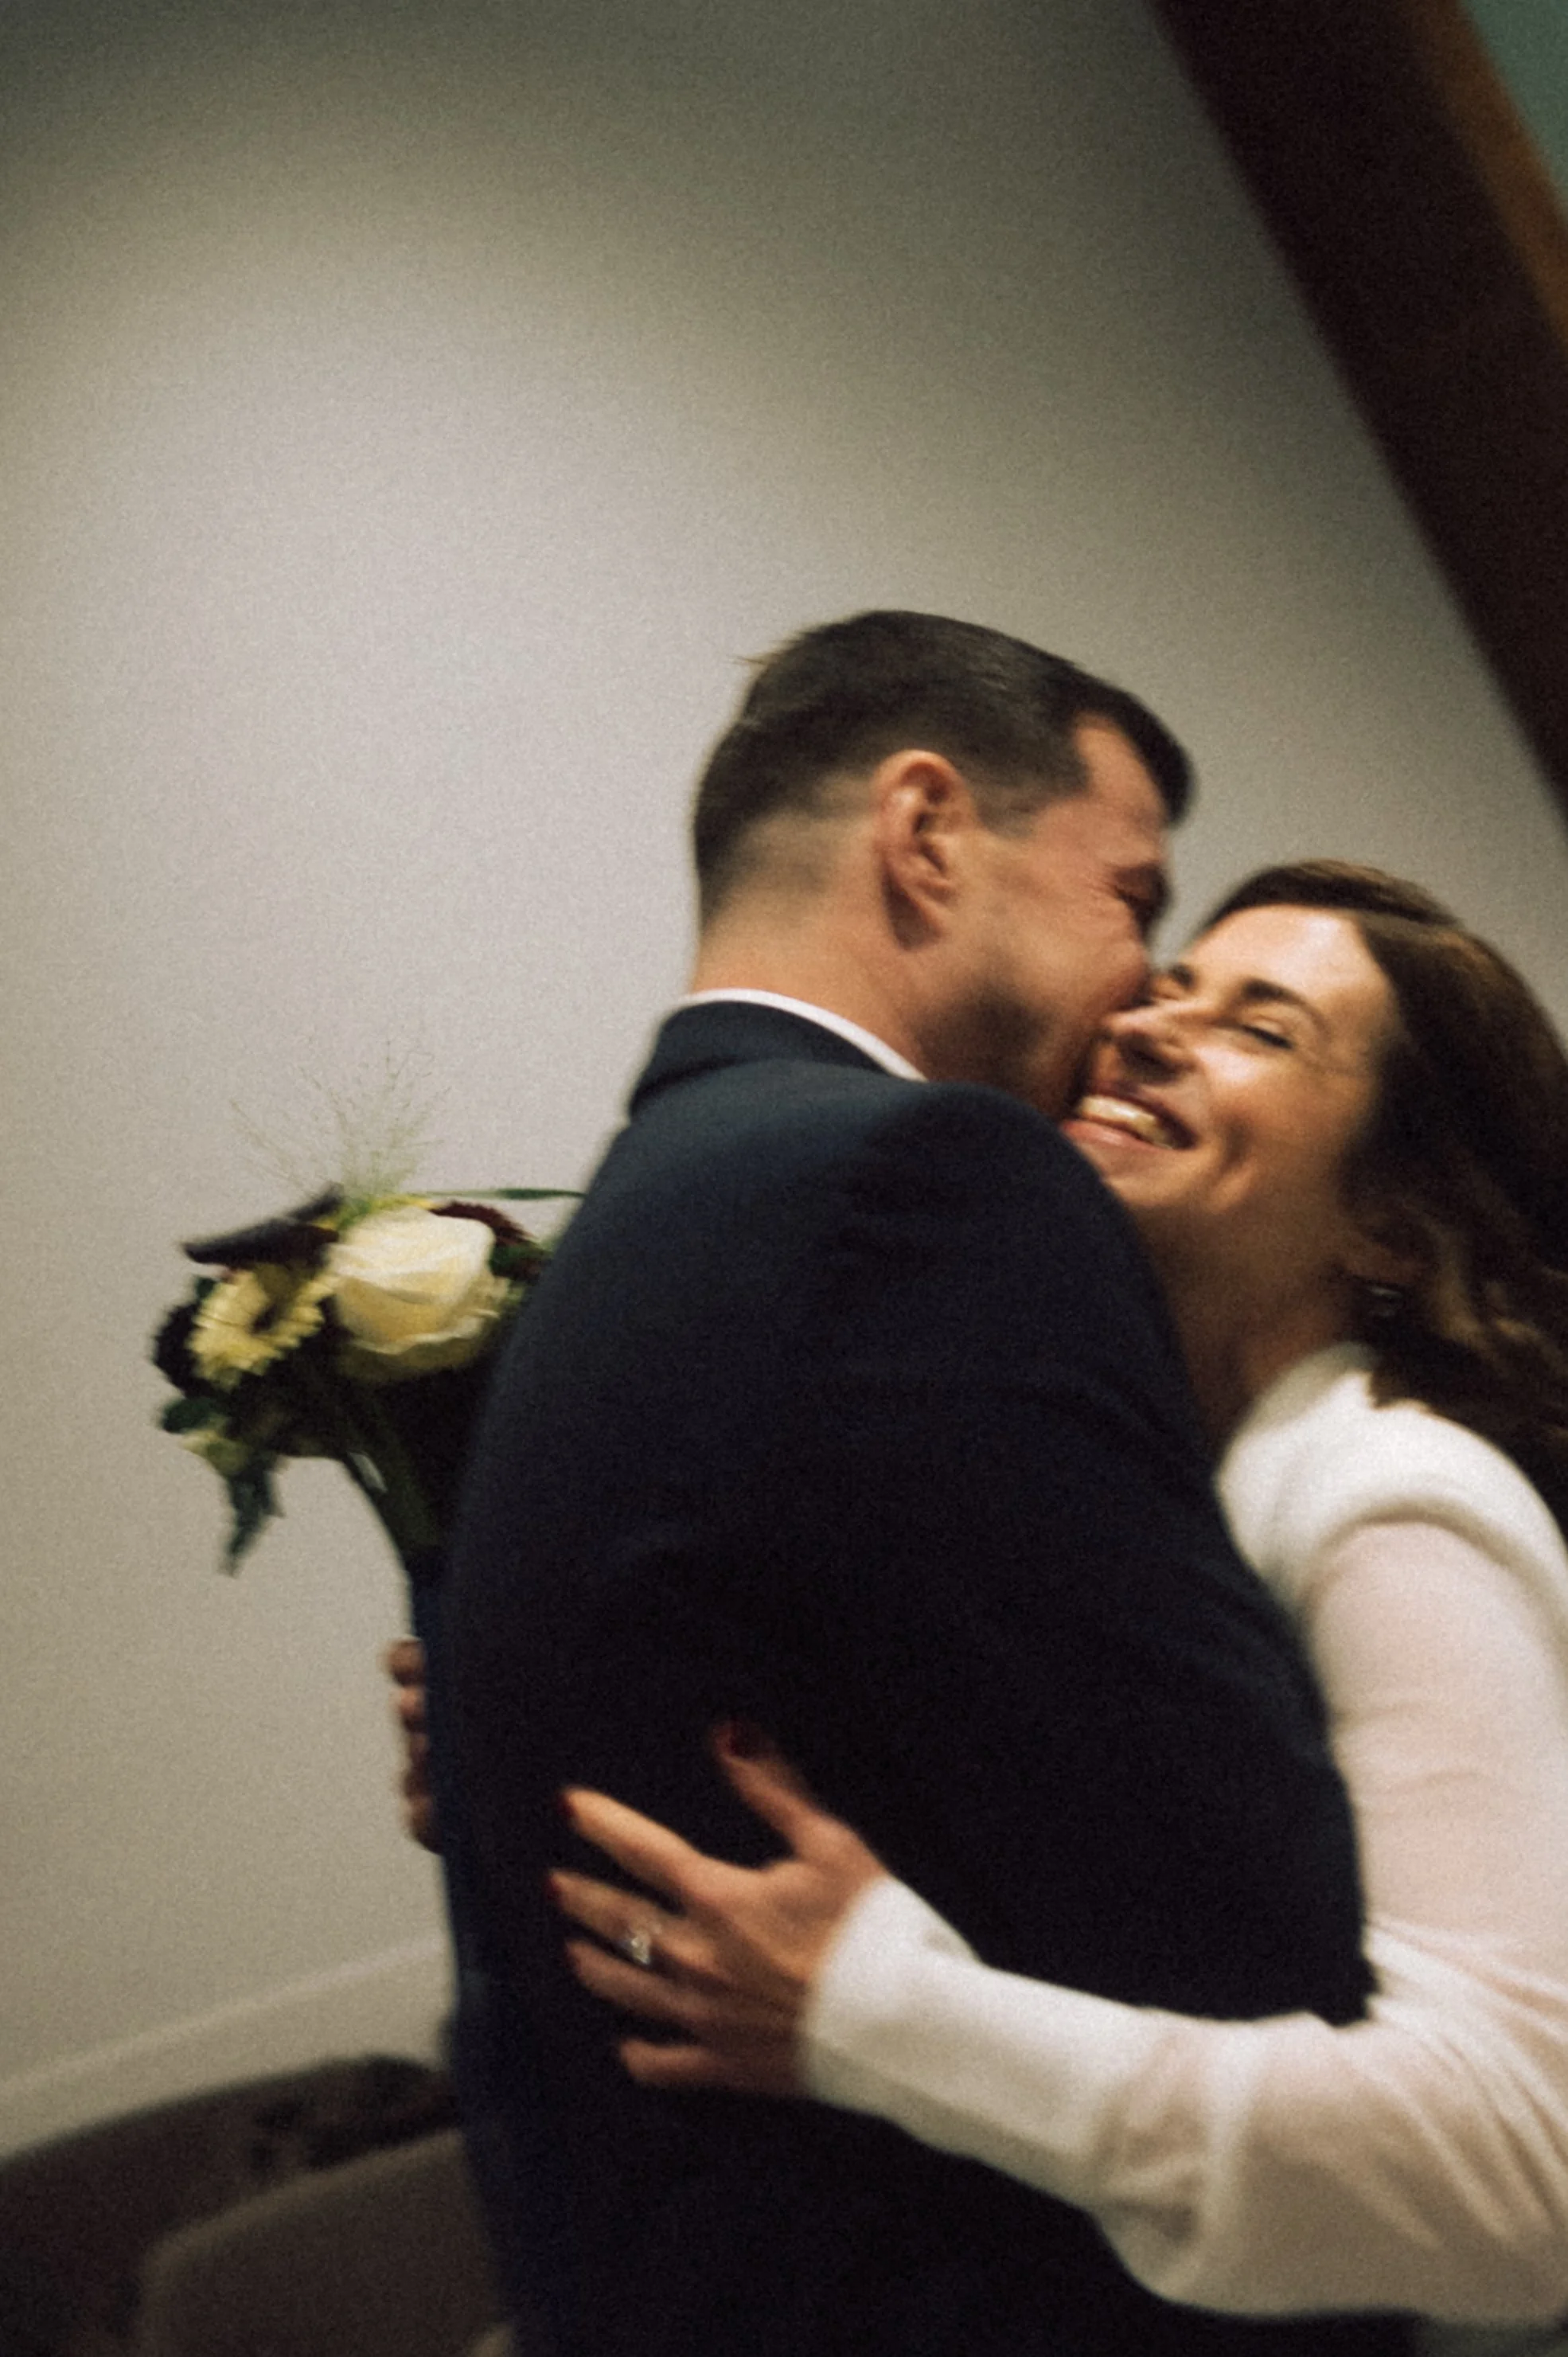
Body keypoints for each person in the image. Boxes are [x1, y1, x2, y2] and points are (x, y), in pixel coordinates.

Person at [440, 615, 1407, 2355]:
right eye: (1132, 899)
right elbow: (1239, 1910)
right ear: (927, 829)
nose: (1141, 989)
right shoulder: (918, 1181)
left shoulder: (640, 1216)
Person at [550, 862, 1568, 2345]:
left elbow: (1513, 2169)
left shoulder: (1386, 1504)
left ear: (1391, 1232)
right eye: (1168, 988)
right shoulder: (1159, 1489)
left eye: (1259, 1029)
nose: (1148, 1029)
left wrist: (873, 2016)